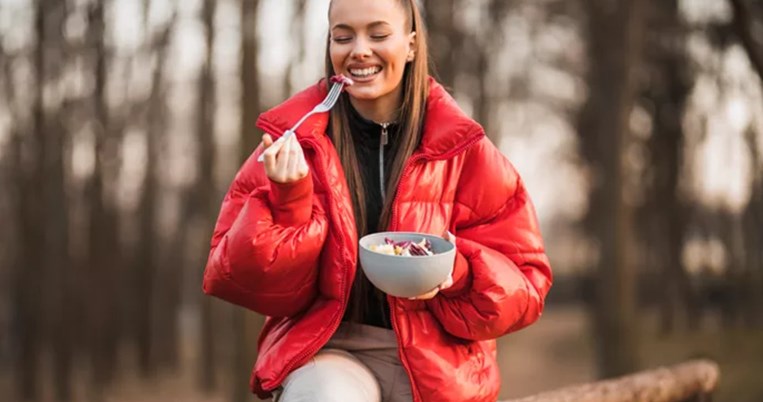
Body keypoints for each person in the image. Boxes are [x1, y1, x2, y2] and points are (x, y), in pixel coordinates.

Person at [202, 0, 552, 401]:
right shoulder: (294, 144)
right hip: (331, 351)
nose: (359, 50)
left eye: (379, 34)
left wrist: (456, 272)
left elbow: (527, 285)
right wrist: (289, 202)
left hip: (439, 366)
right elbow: (233, 272)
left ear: (412, 45)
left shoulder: (465, 150)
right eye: (343, 36)